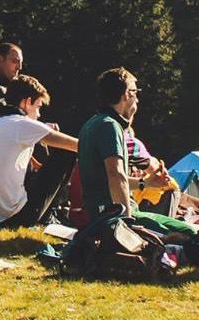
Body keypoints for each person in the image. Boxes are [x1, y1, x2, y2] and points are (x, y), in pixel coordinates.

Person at [0, 75, 79, 226]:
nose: (39, 115)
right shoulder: (23, 124)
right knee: (66, 153)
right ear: (27, 102)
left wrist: (42, 129)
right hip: (14, 217)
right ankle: (49, 216)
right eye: (38, 107)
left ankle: (48, 214)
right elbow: (76, 145)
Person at [74, 67, 174, 220]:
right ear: (127, 94)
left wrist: (146, 183)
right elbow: (116, 175)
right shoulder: (110, 126)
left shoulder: (94, 123)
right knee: (189, 234)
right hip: (112, 215)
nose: (138, 100)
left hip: (103, 212)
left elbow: (108, 180)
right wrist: (127, 222)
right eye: (135, 92)